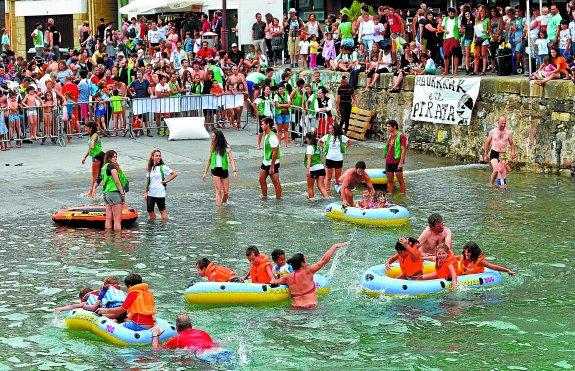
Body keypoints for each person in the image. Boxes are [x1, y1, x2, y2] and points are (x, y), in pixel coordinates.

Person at [273, 242, 347, 309]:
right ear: (302, 263)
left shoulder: (286, 278)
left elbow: (274, 283)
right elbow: (323, 260)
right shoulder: (308, 271)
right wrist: (334, 246)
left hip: (295, 307)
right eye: (305, 259)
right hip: (311, 306)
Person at [91, 150, 128, 231]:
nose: (115, 158)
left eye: (116, 156)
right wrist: (122, 194)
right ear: (109, 158)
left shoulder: (103, 168)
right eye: (113, 157)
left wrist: (94, 189)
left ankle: (108, 239)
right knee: (117, 220)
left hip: (106, 194)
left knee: (108, 218)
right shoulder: (112, 167)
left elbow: (98, 180)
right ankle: (118, 240)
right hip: (114, 193)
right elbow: (117, 181)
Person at [202, 129, 238, 206]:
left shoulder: (226, 146)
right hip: (215, 170)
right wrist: (205, 173)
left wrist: (234, 171)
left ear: (218, 137)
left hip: (224, 170)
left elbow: (231, 159)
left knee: (226, 192)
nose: (212, 137)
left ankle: (223, 205)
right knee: (218, 190)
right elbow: (209, 160)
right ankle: (219, 209)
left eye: (213, 136)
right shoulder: (212, 146)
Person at [151, 314, 218, 352]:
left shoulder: (177, 339)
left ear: (176, 328)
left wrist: (155, 334)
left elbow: (156, 349)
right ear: (191, 325)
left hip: (202, 354)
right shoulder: (203, 332)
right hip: (218, 350)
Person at [483, 116, 517, 186]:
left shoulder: (508, 133)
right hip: (494, 153)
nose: (503, 125)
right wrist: (485, 155)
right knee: (496, 169)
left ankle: (502, 185)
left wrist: (513, 152)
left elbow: (512, 143)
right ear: (498, 122)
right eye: (502, 123)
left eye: (505, 123)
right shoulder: (493, 132)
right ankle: (491, 184)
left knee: (502, 171)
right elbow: (487, 143)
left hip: (503, 155)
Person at [145, 149, 178, 220]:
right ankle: (152, 225)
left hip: (160, 192)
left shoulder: (163, 167)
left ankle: (163, 226)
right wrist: (145, 192)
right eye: (157, 156)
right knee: (150, 211)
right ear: (152, 157)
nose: (158, 157)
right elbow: (148, 181)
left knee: (162, 210)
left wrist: (166, 181)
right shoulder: (149, 168)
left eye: (159, 156)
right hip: (151, 193)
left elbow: (175, 174)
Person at [320, 124, 351, 195]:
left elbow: (349, 142)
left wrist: (344, 147)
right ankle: (327, 192)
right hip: (329, 159)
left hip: (338, 159)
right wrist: (325, 147)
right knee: (328, 177)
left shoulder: (341, 137)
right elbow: (320, 142)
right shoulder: (327, 136)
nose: (329, 130)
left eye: (330, 129)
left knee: (338, 178)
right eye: (329, 128)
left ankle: (338, 191)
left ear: (335, 129)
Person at [259, 117, 282, 200]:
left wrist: (272, 166)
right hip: (265, 162)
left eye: (262, 124)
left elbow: (275, 152)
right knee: (261, 179)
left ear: (267, 125)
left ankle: (278, 200)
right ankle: (264, 196)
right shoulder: (267, 134)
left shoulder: (272, 137)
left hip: (273, 163)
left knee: (276, 183)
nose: (261, 126)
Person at [384, 119, 407, 194]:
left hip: (397, 162)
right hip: (389, 161)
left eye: (388, 126)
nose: (387, 128)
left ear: (394, 127)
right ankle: (390, 195)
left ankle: (402, 196)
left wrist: (401, 162)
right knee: (390, 181)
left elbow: (403, 149)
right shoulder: (391, 136)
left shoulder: (401, 136)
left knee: (401, 181)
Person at [304, 132, 329, 200]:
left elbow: (309, 159)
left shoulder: (309, 147)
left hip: (313, 169)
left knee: (310, 187)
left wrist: (308, 170)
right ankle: (327, 199)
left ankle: (311, 202)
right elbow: (322, 155)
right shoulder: (318, 146)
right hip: (321, 168)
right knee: (321, 187)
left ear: (308, 139)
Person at [82, 123, 104, 197]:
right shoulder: (90, 136)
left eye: (86, 128)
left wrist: (92, 143)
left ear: (90, 128)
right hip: (94, 157)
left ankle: (91, 192)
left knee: (95, 176)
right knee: (96, 175)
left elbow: (93, 141)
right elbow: (90, 149)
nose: (85, 129)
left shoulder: (95, 135)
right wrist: (85, 157)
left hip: (98, 157)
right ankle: (92, 191)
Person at [440, 8, 461, 75]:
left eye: (452, 12)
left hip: (455, 38)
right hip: (447, 38)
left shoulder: (458, 19)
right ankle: (446, 71)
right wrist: (444, 31)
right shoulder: (445, 19)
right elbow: (441, 28)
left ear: (454, 13)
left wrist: (461, 30)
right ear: (448, 13)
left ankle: (456, 71)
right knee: (446, 55)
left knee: (455, 55)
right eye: (450, 12)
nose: (451, 13)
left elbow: (460, 28)